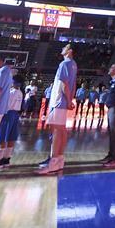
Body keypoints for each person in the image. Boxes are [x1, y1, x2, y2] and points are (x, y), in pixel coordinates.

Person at [38, 44, 77, 174]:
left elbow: (64, 84)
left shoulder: (64, 64)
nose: (62, 49)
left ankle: (53, 162)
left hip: (58, 101)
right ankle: (59, 159)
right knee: (61, 130)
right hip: (64, 101)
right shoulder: (74, 65)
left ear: (69, 51)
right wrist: (70, 99)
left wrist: (68, 99)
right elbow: (73, 85)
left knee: (56, 130)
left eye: (64, 48)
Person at [0, 77, 24, 169]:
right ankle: (6, 159)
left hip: (8, 113)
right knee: (11, 137)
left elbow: (6, 105)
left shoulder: (11, 92)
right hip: (15, 115)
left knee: (3, 136)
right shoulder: (20, 92)